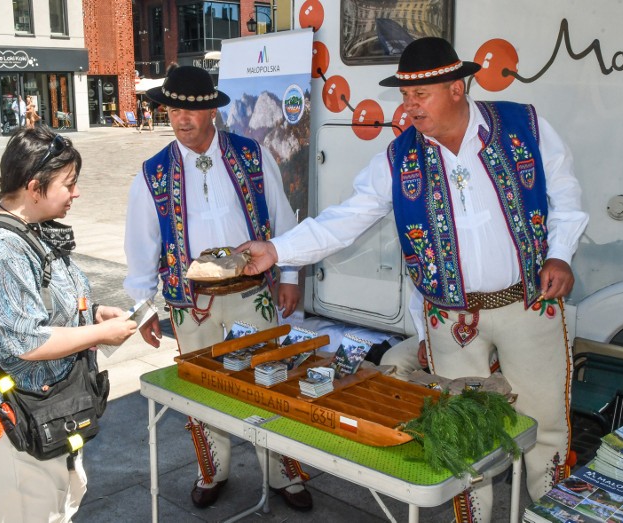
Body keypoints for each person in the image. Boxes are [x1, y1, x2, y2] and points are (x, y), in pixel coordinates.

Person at [237, 37, 589, 523]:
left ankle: (555, 515)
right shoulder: (399, 157)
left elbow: (566, 193)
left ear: (457, 88)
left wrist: (560, 254)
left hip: (528, 303)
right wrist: (277, 251)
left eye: (419, 94)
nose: (408, 105)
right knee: (464, 432)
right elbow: (346, 219)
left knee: (546, 425)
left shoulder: (524, 126)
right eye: (404, 95)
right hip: (450, 319)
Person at [123, 65, 312, 511]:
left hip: (252, 295)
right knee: (204, 390)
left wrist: (289, 276)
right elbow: (141, 244)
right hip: (194, 306)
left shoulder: (251, 154)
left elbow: (282, 219)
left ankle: (282, 473)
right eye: (172, 110)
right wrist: (142, 308)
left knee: (271, 380)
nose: (180, 119)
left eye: (190, 111)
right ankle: (215, 471)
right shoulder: (152, 174)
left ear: (212, 111)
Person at [0, 127, 139, 521]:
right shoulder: (1, 249)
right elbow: (27, 340)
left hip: (35, 408)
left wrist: (92, 314)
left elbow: (40, 306)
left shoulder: (28, 232)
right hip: (8, 420)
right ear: (35, 187)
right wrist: (100, 334)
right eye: (69, 184)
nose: (77, 193)